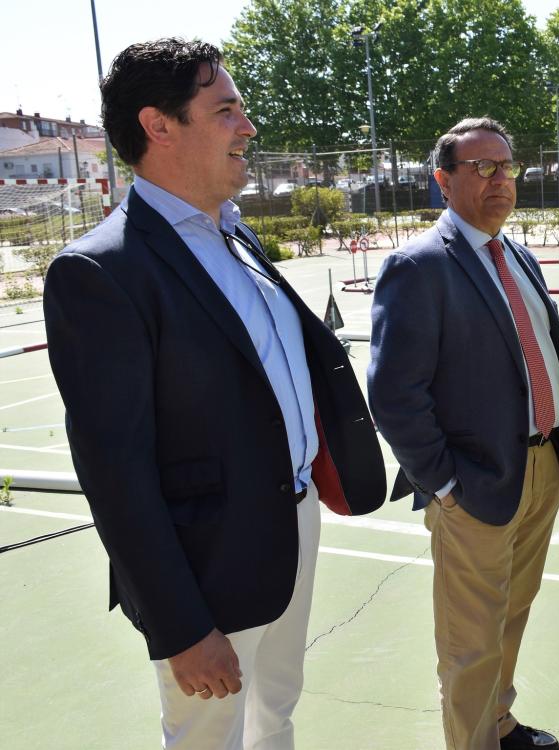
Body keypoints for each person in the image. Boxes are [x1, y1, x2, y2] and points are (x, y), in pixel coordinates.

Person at [43, 38, 385, 749]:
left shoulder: (237, 236)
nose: (247, 128)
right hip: (208, 561)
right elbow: (115, 474)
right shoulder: (101, 272)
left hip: (292, 523)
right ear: (159, 126)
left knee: (275, 713)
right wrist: (181, 626)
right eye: (226, 110)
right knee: (207, 736)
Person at [367, 117, 559, 750]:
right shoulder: (417, 267)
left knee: (511, 620)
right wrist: (443, 483)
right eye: (482, 168)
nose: (501, 180)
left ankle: (499, 723)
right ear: (444, 181)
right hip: (473, 483)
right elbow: (393, 393)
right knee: (470, 644)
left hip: (540, 466)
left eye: (507, 166)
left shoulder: (515, 253)